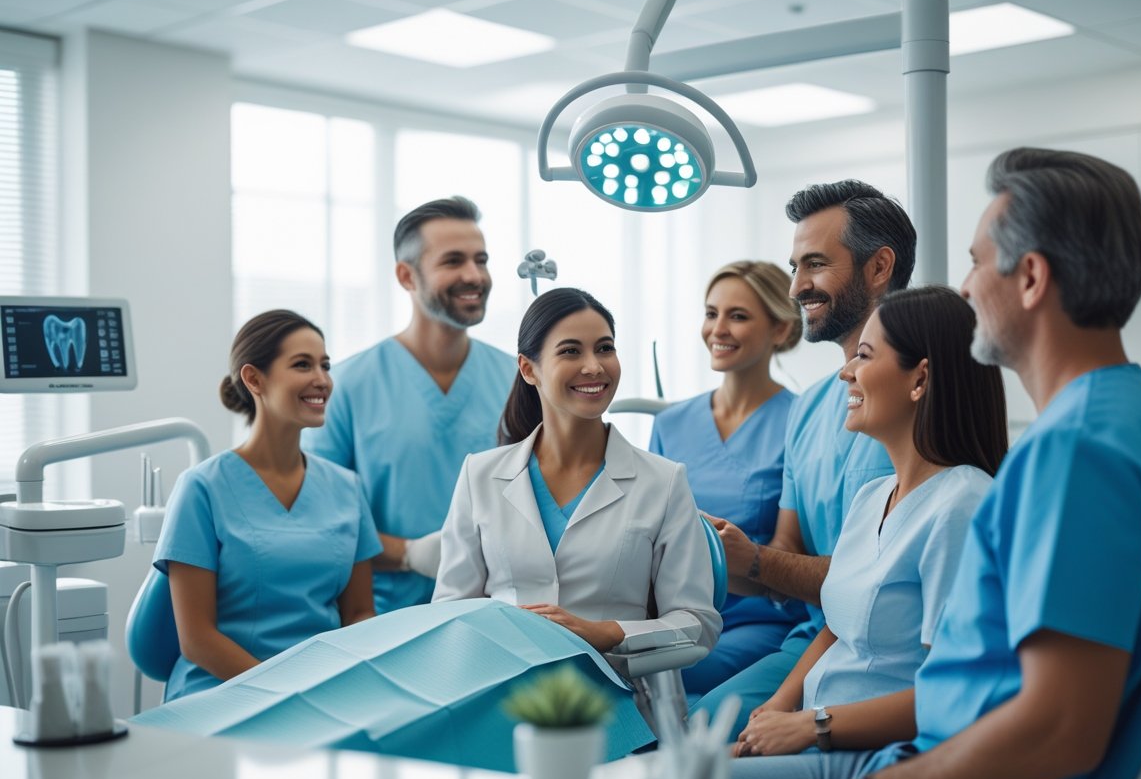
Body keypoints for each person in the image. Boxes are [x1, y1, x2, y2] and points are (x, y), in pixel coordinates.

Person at [776, 148, 1141, 779]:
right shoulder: (1131, 415)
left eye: (977, 262)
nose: (967, 287)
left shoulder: (1077, 452)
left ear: (1030, 277)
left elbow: (1058, 732)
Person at [730, 286, 1007, 779]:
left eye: (864, 356)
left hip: (878, 759)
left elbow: (955, 692)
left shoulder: (962, 504)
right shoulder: (874, 496)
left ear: (919, 378)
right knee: (666, 773)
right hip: (819, 735)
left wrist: (810, 726)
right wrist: (771, 713)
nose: (845, 372)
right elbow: (837, 628)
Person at [690, 180, 916, 738]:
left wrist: (761, 563)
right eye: (794, 266)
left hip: (877, 652)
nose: (796, 286)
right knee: (687, 728)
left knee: (704, 742)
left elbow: (882, 586)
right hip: (810, 638)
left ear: (878, 267)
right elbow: (787, 551)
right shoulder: (813, 406)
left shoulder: (923, 396)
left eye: (814, 265)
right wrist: (726, 558)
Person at [433, 287, 721, 655]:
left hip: (615, 689)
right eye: (571, 351)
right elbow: (449, 613)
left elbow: (699, 625)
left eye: (605, 348)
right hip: (503, 687)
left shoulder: (663, 482)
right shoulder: (480, 475)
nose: (594, 366)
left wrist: (609, 634)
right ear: (528, 369)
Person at [303, 196, 516, 615]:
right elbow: (318, 523)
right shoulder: (346, 386)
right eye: (453, 261)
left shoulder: (518, 380)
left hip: (500, 615)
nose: (474, 275)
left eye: (482, 259)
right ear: (406, 276)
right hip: (384, 619)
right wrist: (410, 554)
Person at [154, 310, 379, 701]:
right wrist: (284, 693)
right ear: (254, 378)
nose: (322, 380)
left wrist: (343, 683)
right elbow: (197, 639)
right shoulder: (202, 488)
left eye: (325, 365)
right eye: (302, 365)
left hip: (322, 688)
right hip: (220, 690)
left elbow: (359, 613)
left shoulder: (346, 488)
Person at [649, 261, 807, 697]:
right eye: (711, 313)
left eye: (737, 316)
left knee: (661, 674)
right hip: (675, 614)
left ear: (779, 329)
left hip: (759, 620)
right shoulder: (671, 423)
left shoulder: (801, 422)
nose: (718, 329)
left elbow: (794, 547)